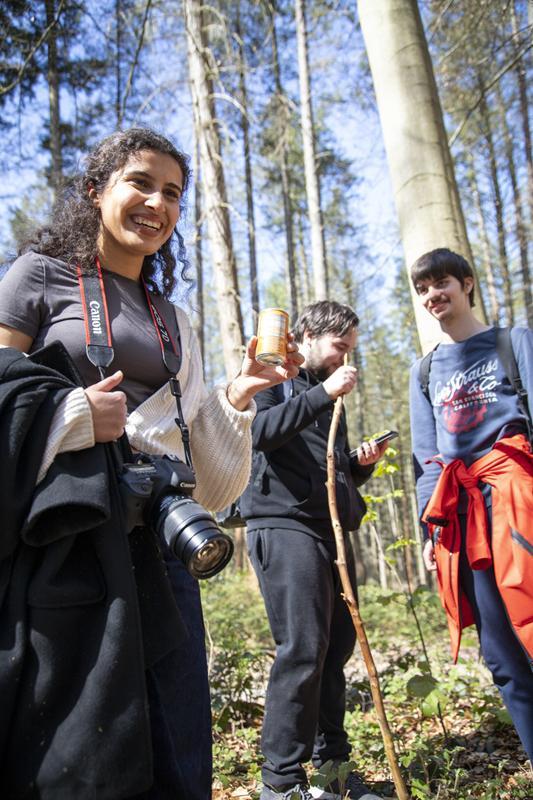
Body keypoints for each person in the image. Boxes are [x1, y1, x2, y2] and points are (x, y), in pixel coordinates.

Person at [0, 127, 302, 800]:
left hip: (161, 548)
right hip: (67, 538)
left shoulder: (173, 319)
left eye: (172, 193)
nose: (157, 203)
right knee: (79, 744)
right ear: (94, 190)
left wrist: (238, 396)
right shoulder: (36, 277)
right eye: (139, 182)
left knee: (177, 736)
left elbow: (207, 471)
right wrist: (68, 417)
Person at [240, 301, 389, 800]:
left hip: (327, 530)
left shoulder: (329, 396)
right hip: (281, 525)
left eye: (350, 347)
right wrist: (323, 393)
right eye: (338, 345)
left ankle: (332, 772)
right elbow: (259, 435)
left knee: (334, 650)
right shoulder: (270, 374)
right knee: (303, 647)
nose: (346, 356)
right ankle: (281, 781)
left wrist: (358, 464)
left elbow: (321, 465)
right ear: (305, 334)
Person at [409, 248, 533, 765]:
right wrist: (430, 532)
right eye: (423, 289)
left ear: (467, 284)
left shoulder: (513, 341)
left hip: (519, 500)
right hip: (463, 519)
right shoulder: (426, 371)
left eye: (442, 284)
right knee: (502, 653)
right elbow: (426, 458)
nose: (434, 295)